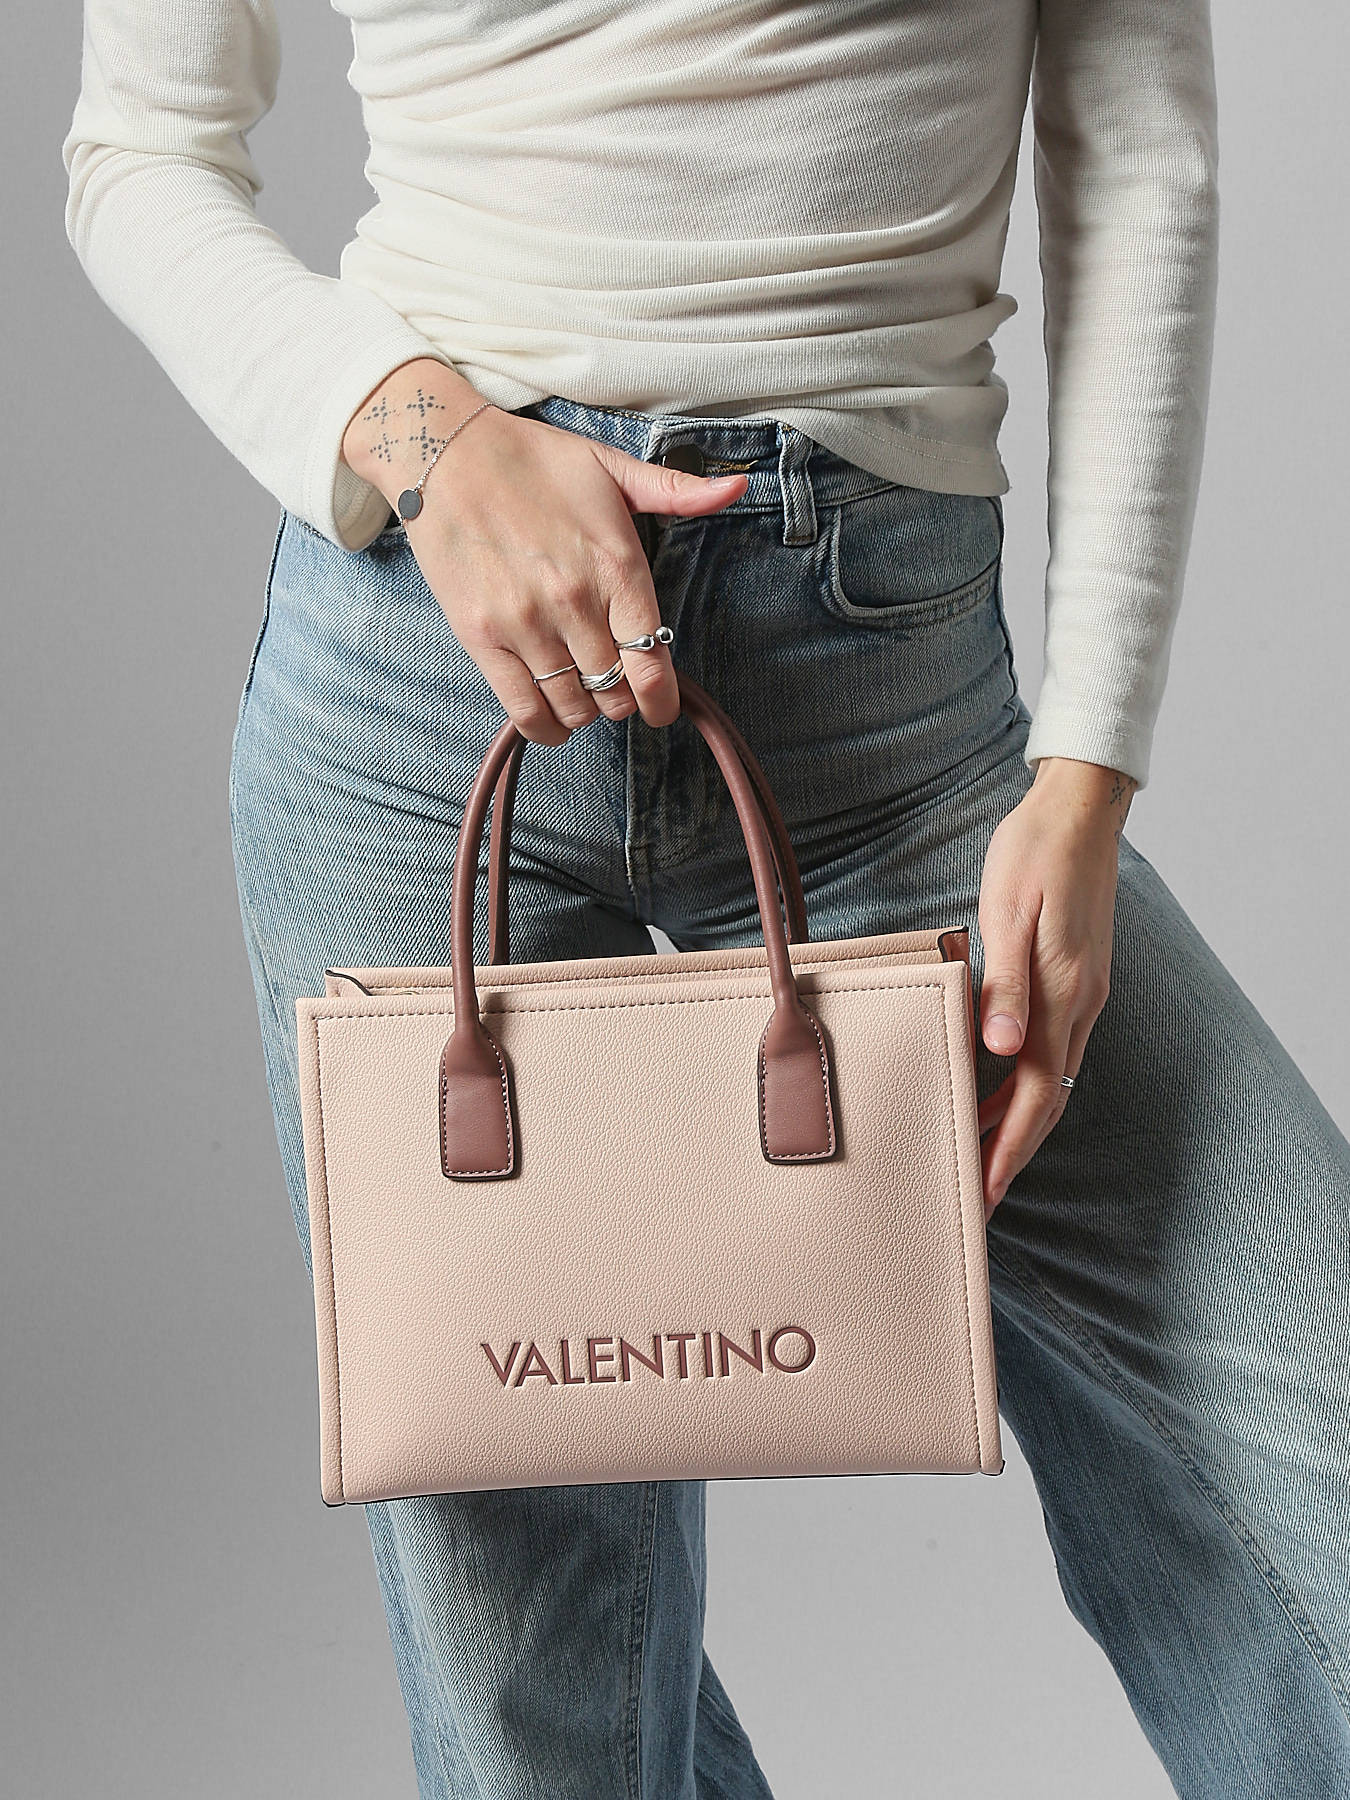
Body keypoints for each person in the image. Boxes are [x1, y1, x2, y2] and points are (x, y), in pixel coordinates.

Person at [60, 3, 1350, 1796]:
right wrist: (422, 434)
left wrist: (1086, 767)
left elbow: (1142, 156)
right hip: (422, 686)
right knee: (532, 1692)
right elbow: (135, 153)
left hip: (888, 716)